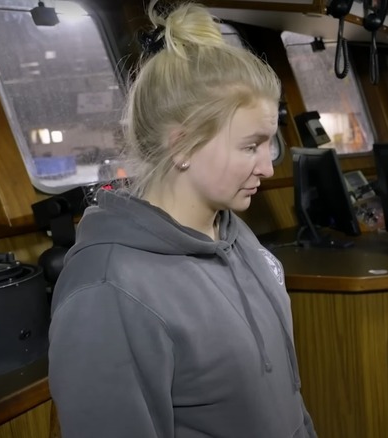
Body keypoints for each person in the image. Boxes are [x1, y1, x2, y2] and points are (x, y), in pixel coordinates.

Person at [48, 2, 317, 437]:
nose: (268, 168)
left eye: (269, 145)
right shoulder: (107, 290)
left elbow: (288, 401)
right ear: (184, 145)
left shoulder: (235, 233)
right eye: (251, 146)